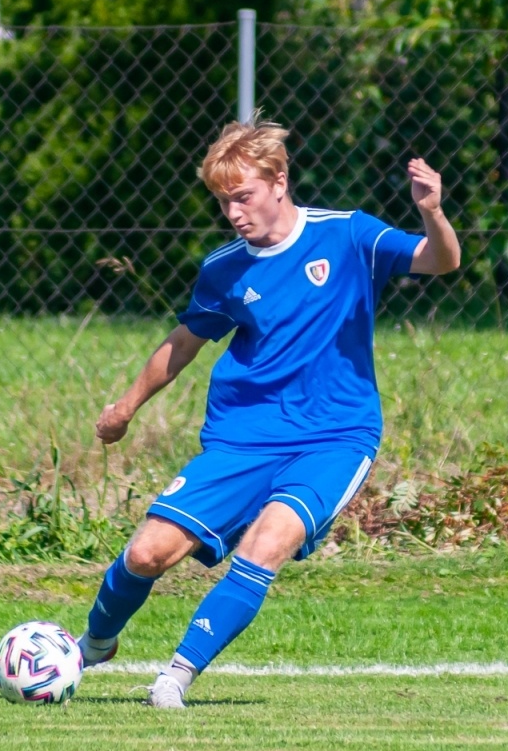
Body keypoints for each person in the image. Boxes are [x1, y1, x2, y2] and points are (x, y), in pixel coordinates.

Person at [77, 117, 461, 707]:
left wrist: (433, 212)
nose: (233, 212)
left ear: (279, 180)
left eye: (242, 196)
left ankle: (174, 679)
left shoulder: (348, 236)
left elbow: (440, 261)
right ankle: (93, 645)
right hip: (243, 437)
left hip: (334, 437)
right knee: (146, 553)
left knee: (266, 543)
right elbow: (184, 342)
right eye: (223, 201)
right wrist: (124, 408)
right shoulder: (224, 268)